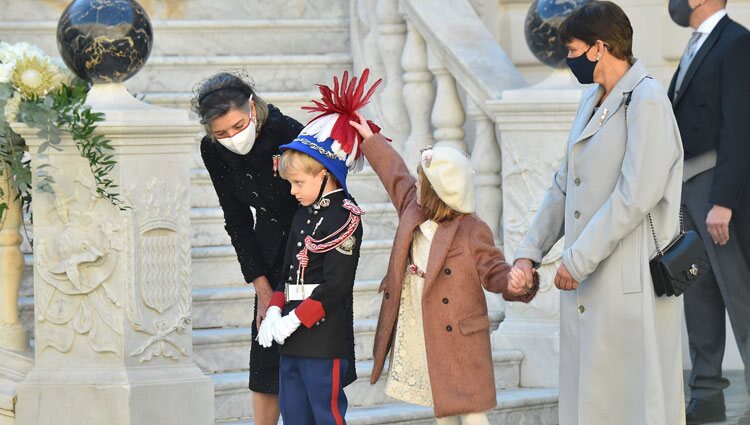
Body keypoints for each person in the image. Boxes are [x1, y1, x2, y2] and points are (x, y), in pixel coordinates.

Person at [513, 2, 686, 424]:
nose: (568, 58)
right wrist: (529, 252)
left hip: (627, 280)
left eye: (572, 49)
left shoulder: (647, 100)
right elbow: (562, 184)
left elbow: (636, 195)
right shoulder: (592, 98)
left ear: (599, 48)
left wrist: (578, 258)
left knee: (629, 404)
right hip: (588, 282)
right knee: (589, 403)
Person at [350, 112, 537, 424]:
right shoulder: (413, 207)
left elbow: (493, 269)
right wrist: (371, 140)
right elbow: (395, 175)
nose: (416, 182)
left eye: (423, 180)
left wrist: (515, 283)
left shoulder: (471, 229)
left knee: (471, 408)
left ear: (438, 190)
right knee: (442, 405)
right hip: (425, 323)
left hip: (459, 333)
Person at [256, 70, 382, 425]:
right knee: (294, 416)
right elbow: (287, 273)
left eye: (298, 182)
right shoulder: (303, 213)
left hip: (322, 337)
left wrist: (296, 318)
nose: (293, 190)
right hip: (291, 339)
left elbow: (335, 286)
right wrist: (276, 311)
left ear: (325, 173)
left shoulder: (345, 217)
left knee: (325, 417)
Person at [191, 71, 302, 425]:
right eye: (221, 133)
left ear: (252, 108)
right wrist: (262, 288)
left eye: (238, 126)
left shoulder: (288, 133)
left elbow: (328, 197)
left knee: (310, 356)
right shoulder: (213, 151)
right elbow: (236, 219)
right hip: (267, 250)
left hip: (310, 246)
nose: (232, 138)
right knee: (266, 352)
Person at [667, 0, 750, 422]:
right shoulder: (695, 44)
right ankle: (706, 396)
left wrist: (724, 201)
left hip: (718, 193)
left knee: (741, 297)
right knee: (695, 293)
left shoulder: (737, 43)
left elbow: (740, 126)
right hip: (684, 191)